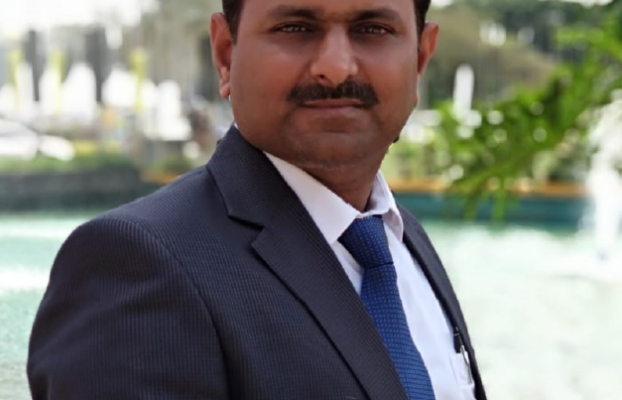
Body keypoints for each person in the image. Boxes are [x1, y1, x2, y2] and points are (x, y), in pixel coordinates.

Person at [27, 0, 487, 399]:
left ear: (420, 58)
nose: (336, 67)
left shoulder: (401, 239)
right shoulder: (136, 262)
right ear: (226, 54)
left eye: (373, 30)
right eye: (296, 28)